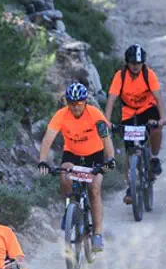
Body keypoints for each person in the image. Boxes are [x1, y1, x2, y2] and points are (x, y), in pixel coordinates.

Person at [37, 82, 116, 253]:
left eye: (78, 103)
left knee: (94, 189)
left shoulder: (95, 114)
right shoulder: (61, 115)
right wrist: (43, 160)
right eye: (71, 103)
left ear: (85, 101)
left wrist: (110, 159)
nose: (75, 107)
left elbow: (106, 138)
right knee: (65, 175)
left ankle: (97, 234)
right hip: (72, 154)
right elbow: (47, 139)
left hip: (94, 155)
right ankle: (70, 207)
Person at [105, 44, 166, 205]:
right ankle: (131, 186)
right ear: (127, 63)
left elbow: (158, 96)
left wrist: (163, 117)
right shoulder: (120, 76)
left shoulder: (149, 74)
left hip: (147, 109)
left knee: (155, 128)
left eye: (139, 63)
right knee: (130, 152)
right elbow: (112, 98)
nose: (135, 66)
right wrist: (106, 120)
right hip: (129, 113)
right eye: (133, 63)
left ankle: (154, 157)